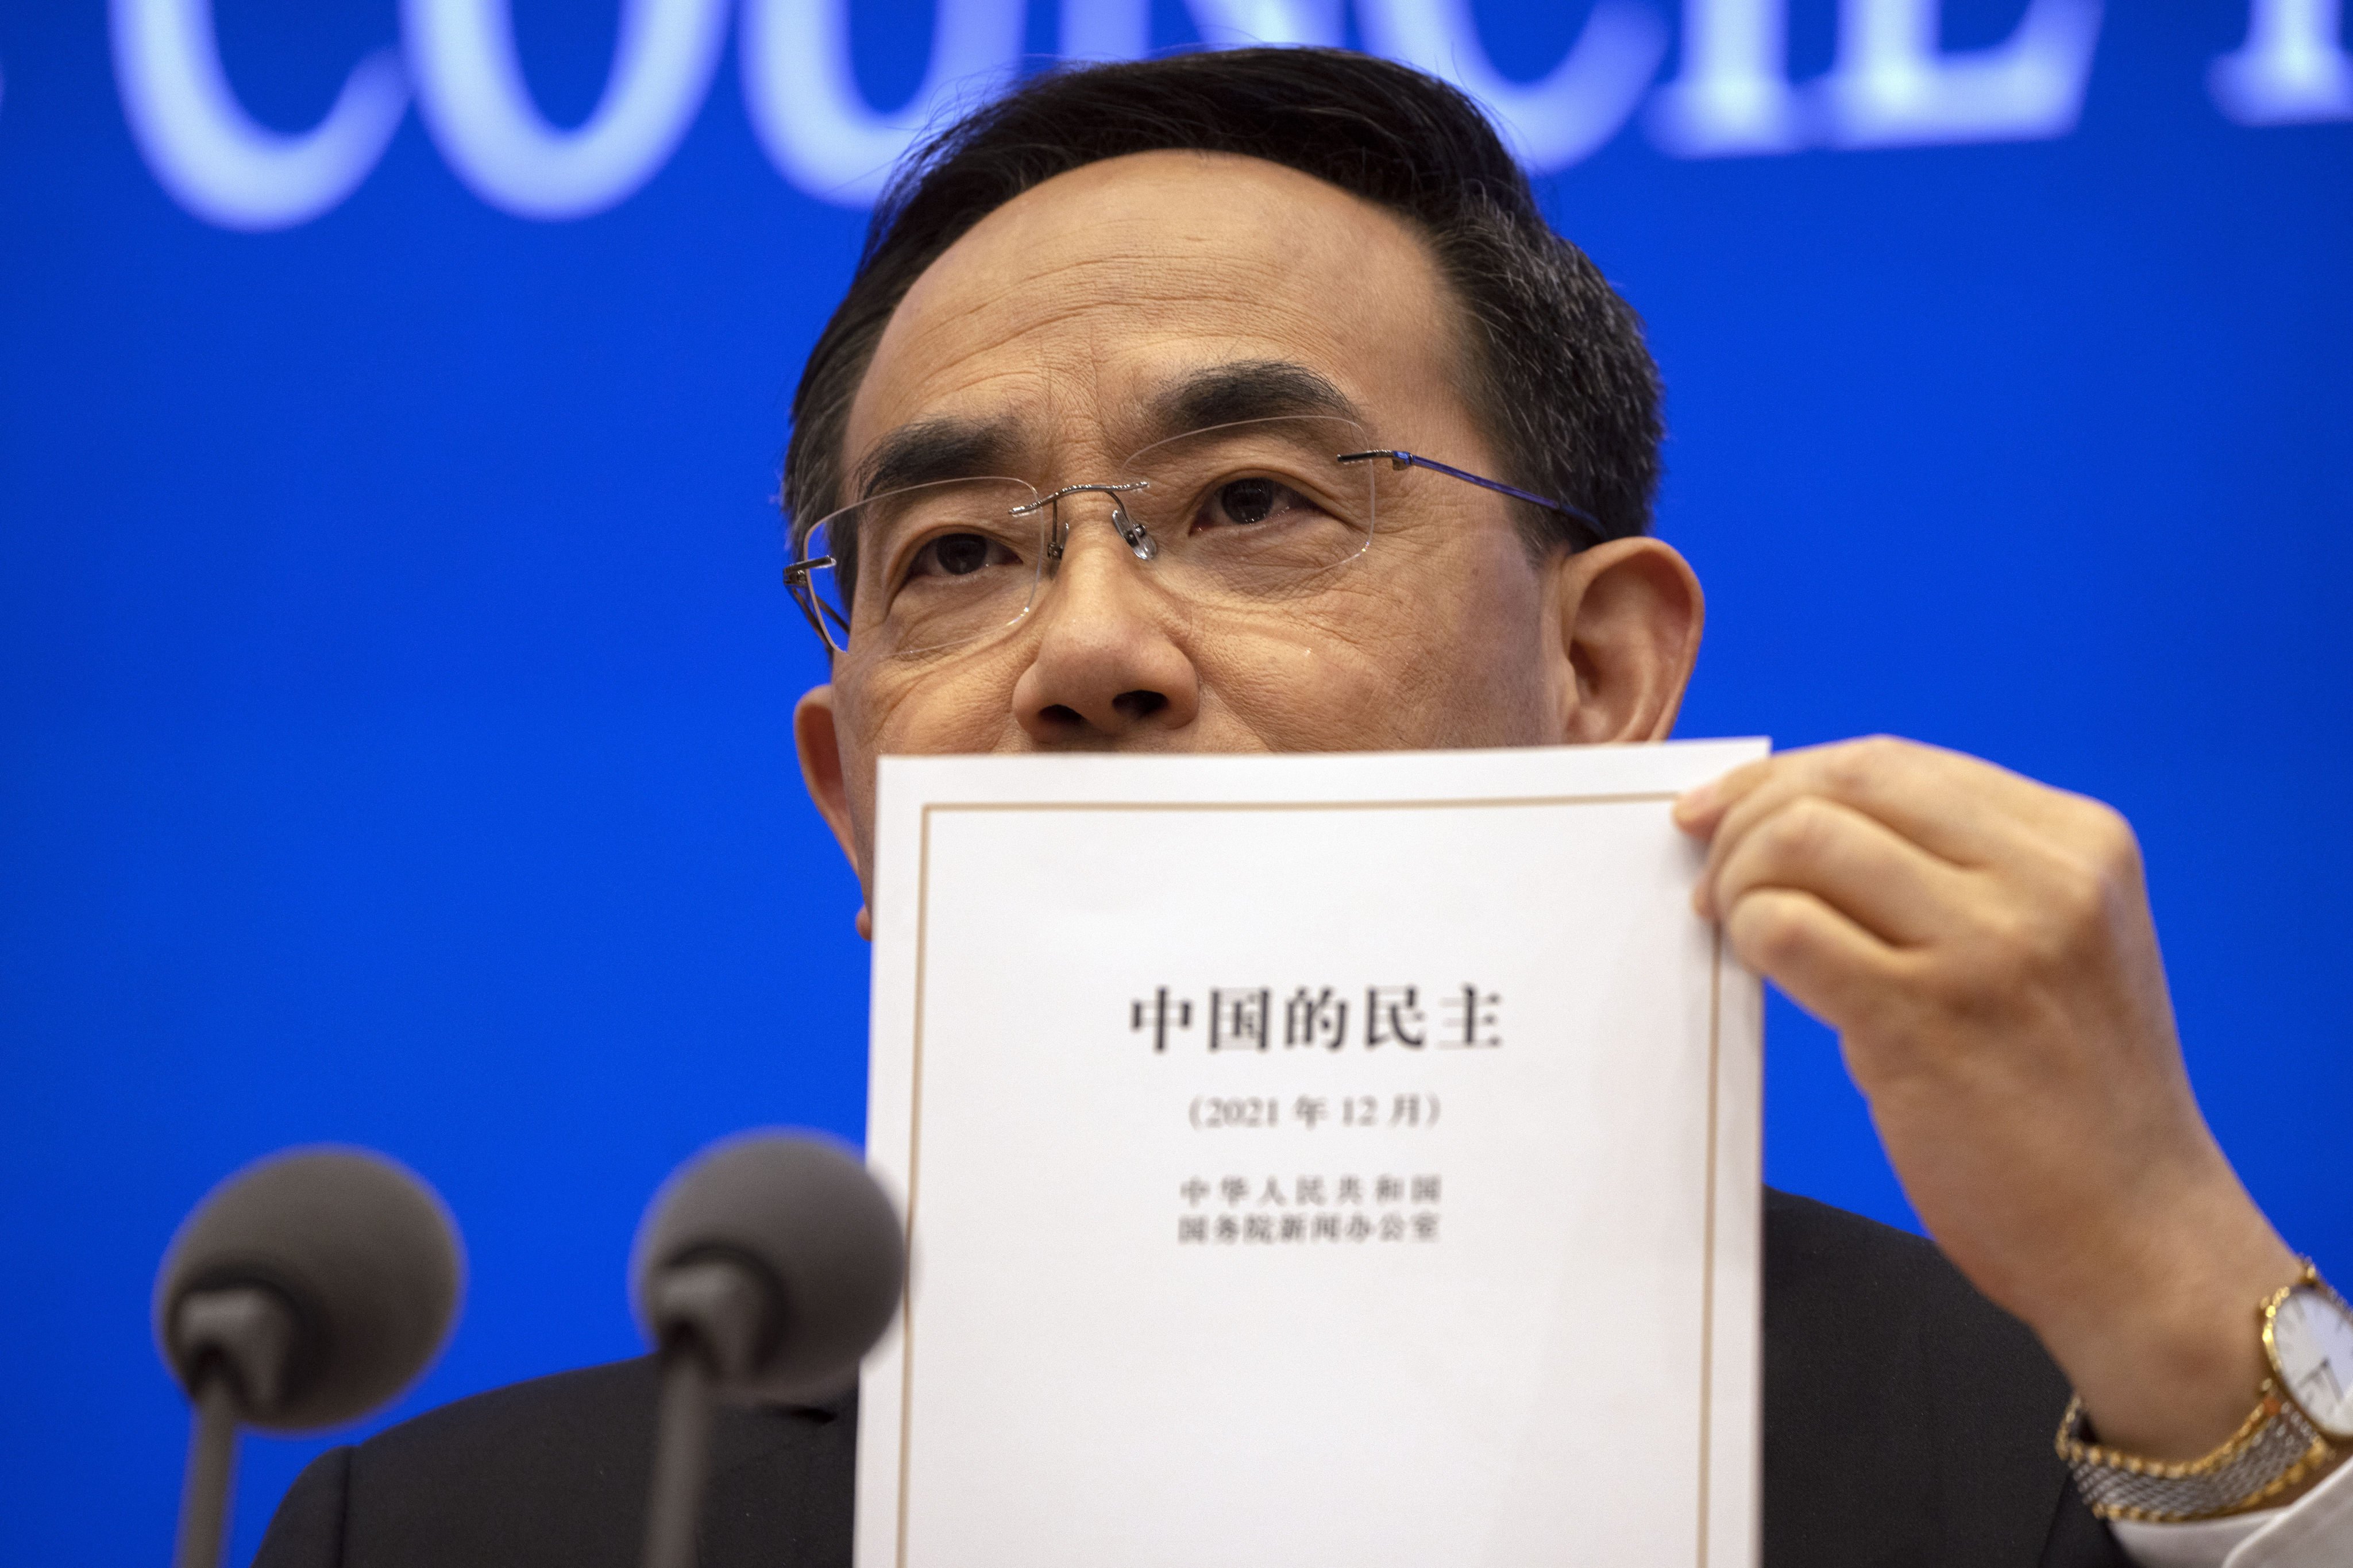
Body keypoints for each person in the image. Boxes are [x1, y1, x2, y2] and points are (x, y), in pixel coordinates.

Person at [253, 47, 2351, 1568]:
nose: (1086, 645)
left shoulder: (2044, 1458)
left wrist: (2176, 1289)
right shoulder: (469, 1533)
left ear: (1603, 672)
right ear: (851, 798)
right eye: (959, 553)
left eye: (1252, 503)